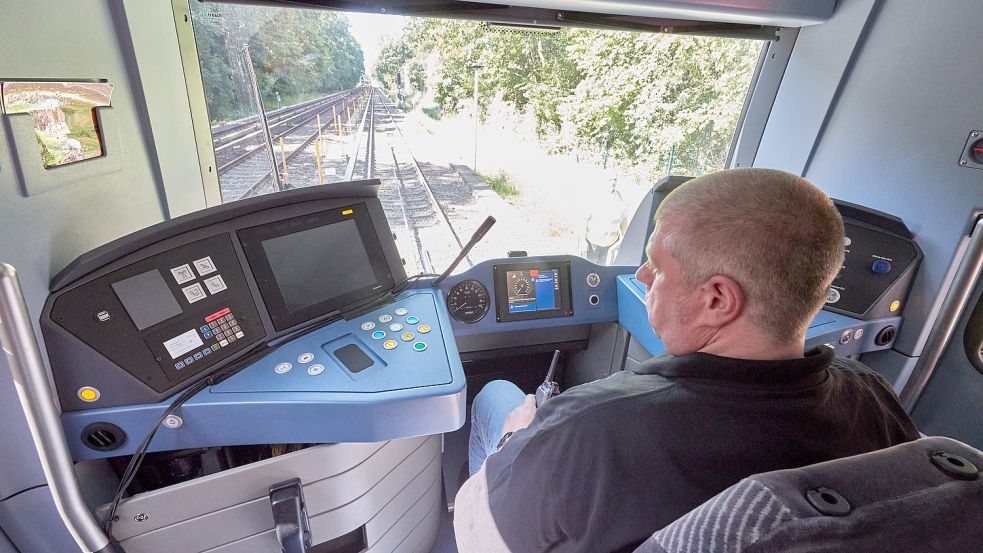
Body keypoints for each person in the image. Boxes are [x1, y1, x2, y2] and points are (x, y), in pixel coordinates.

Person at [454, 168, 919, 553]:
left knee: (498, 397)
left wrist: (518, 437)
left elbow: (476, 538)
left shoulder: (587, 431)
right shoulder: (873, 395)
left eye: (656, 266)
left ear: (717, 300)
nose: (640, 274)